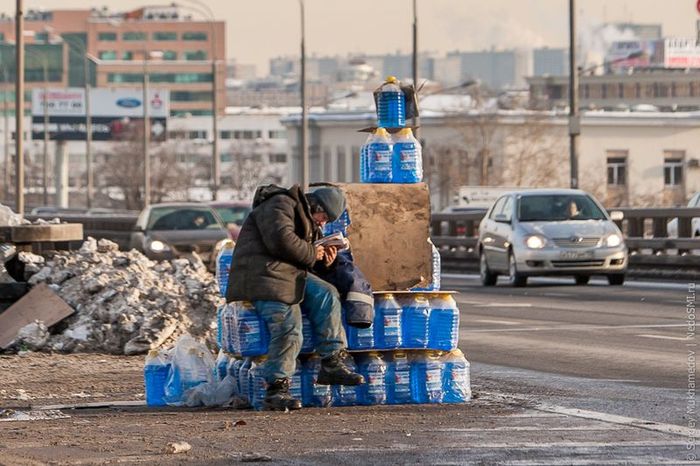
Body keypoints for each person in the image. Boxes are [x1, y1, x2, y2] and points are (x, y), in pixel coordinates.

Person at [226, 184, 364, 410]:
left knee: (326, 294)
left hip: (288, 275)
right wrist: (312, 253)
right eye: (324, 217)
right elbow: (281, 241)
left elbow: (303, 258)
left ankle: (332, 361)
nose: (323, 223)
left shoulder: (309, 222)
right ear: (315, 206)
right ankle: (276, 388)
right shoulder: (279, 204)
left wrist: (324, 261)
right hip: (263, 276)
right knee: (289, 325)